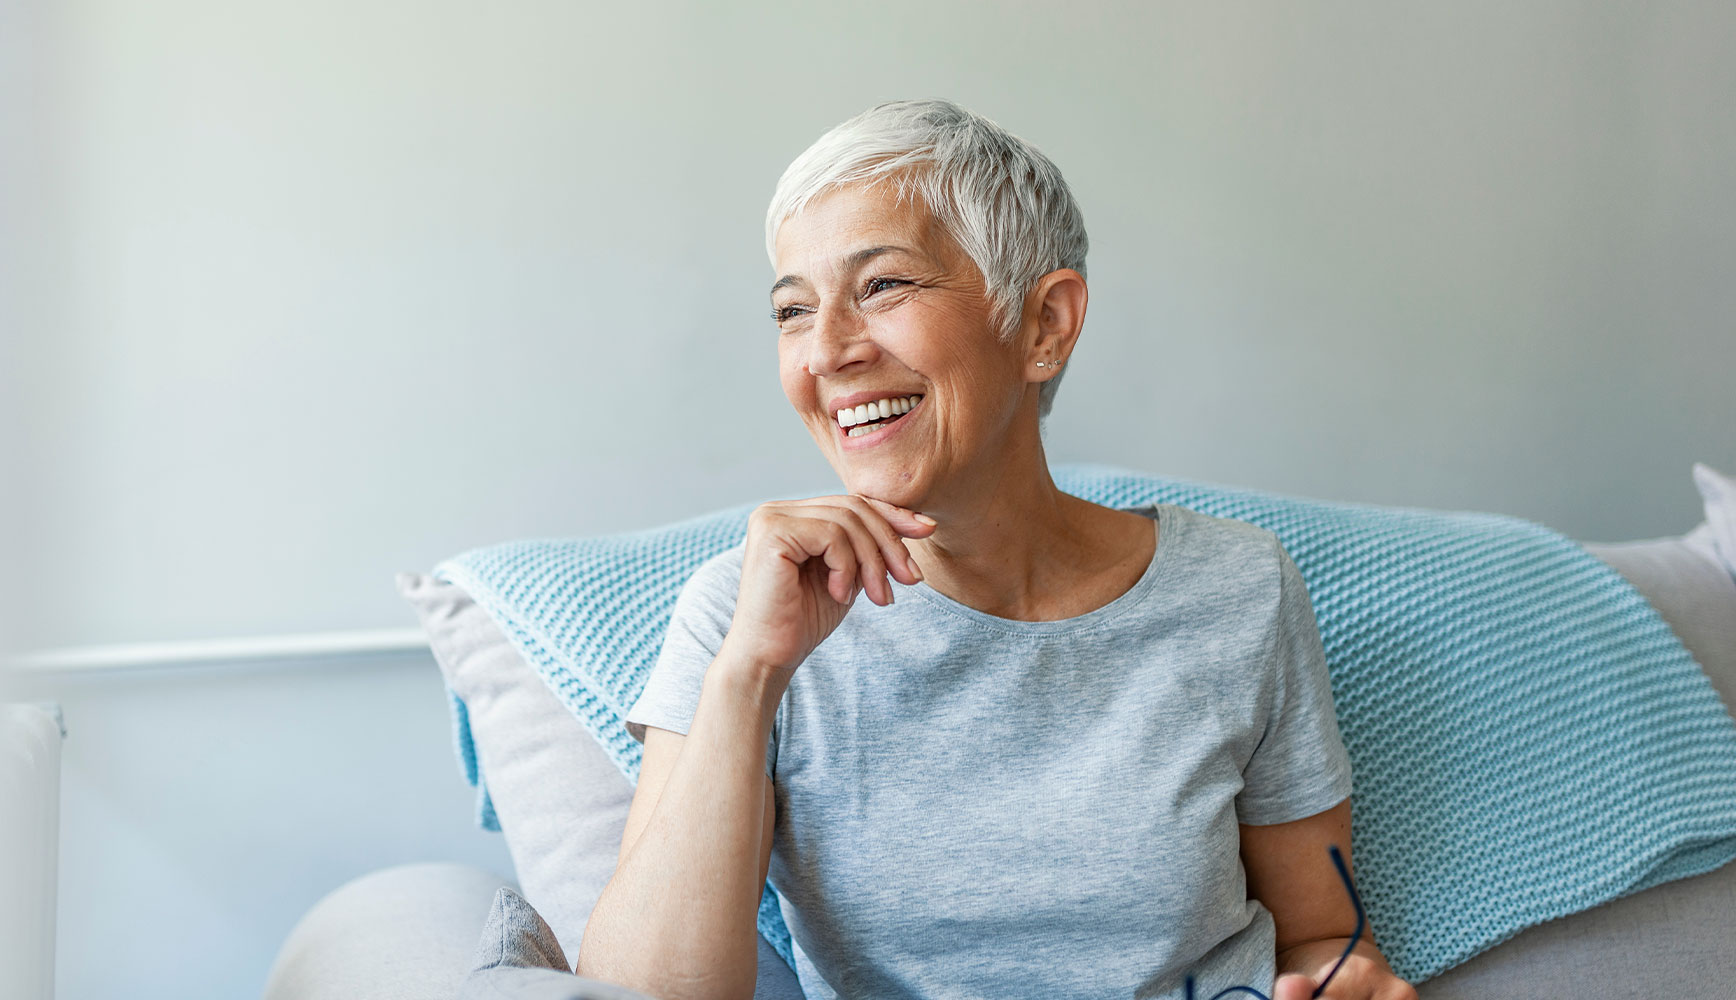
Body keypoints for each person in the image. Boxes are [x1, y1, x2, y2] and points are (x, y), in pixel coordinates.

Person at [576, 99, 1417, 1000]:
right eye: (792, 309)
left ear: (1045, 324)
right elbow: (642, 996)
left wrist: (1342, 982)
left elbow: (1321, 933)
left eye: (883, 287)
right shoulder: (741, 613)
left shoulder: (1240, 589)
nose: (825, 351)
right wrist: (748, 676)